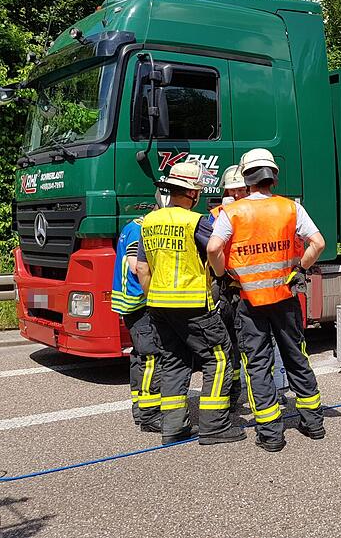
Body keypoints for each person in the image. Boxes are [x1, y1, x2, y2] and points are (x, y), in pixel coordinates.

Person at [207, 148, 326, 453]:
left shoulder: (232, 213)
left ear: (246, 178)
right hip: (284, 297)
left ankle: (271, 435)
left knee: (258, 364)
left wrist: (223, 275)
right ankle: (314, 423)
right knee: (296, 357)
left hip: (248, 301)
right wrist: (301, 267)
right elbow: (318, 243)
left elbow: (212, 250)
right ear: (274, 175)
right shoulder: (290, 208)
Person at [136, 162, 245, 446]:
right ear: (194, 194)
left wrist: (153, 298)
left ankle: (172, 427)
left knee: (173, 361)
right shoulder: (195, 222)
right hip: (193, 303)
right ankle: (214, 426)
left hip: (158, 305)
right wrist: (222, 275)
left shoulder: (148, 222)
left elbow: (141, 269)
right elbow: (215, 250)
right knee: (219, 357)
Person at [112, 191, 167, 433]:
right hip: (138, 303)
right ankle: (149, 414)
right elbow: (136, 267)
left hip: (131, 303)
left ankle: (139, 408)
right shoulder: (141, 230)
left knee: (139, 356)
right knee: (150, 357)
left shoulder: (131, 225)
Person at [209, 165, 249, 405]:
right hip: (224, 287)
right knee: (227, 342)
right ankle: (231, 390)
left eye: (240, 191)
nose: (235, 196)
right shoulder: (215, 215)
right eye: (231, 191)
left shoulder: (255, 212)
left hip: (251, 288)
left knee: (251, 344)